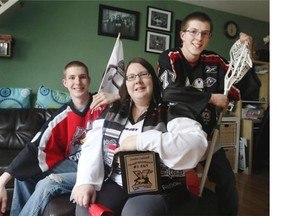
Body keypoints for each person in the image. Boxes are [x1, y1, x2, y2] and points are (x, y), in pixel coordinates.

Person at [71, 57, 208, 216]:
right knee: (84, 203)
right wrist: (85, 182)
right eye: (131, 77)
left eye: (143, 74)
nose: (137, 80)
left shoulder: (172, 111)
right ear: (126, 84)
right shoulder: (112, 111)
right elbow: (91, 145)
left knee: (135, 211)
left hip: (159, 188)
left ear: (153, 80)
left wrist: (140, 141)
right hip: (117, 182)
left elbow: (197, 143)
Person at [157, 12, 253, 216]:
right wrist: (210, 97)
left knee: (227, 180)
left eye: (205, 33)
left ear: (209, 37)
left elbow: (236, 85)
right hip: (177, 136)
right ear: (182, 35)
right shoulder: (170, 57)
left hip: (209, 134)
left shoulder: (215, 61)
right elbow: (168, 92)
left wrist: (246, 56)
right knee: (175, 185)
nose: (198, 38)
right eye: (193, 32)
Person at [0, 61, 118, 216]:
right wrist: (3, 179)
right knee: (23, 176)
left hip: (97, 167)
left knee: (47, 184)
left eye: (82, 77)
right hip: (72, 164)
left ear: (89, 80)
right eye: (72, 77)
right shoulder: (61, 115)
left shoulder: (105, 104)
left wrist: (118, 96)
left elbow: (140, 100)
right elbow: (35, 146)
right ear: (65, 82)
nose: (77, 82)